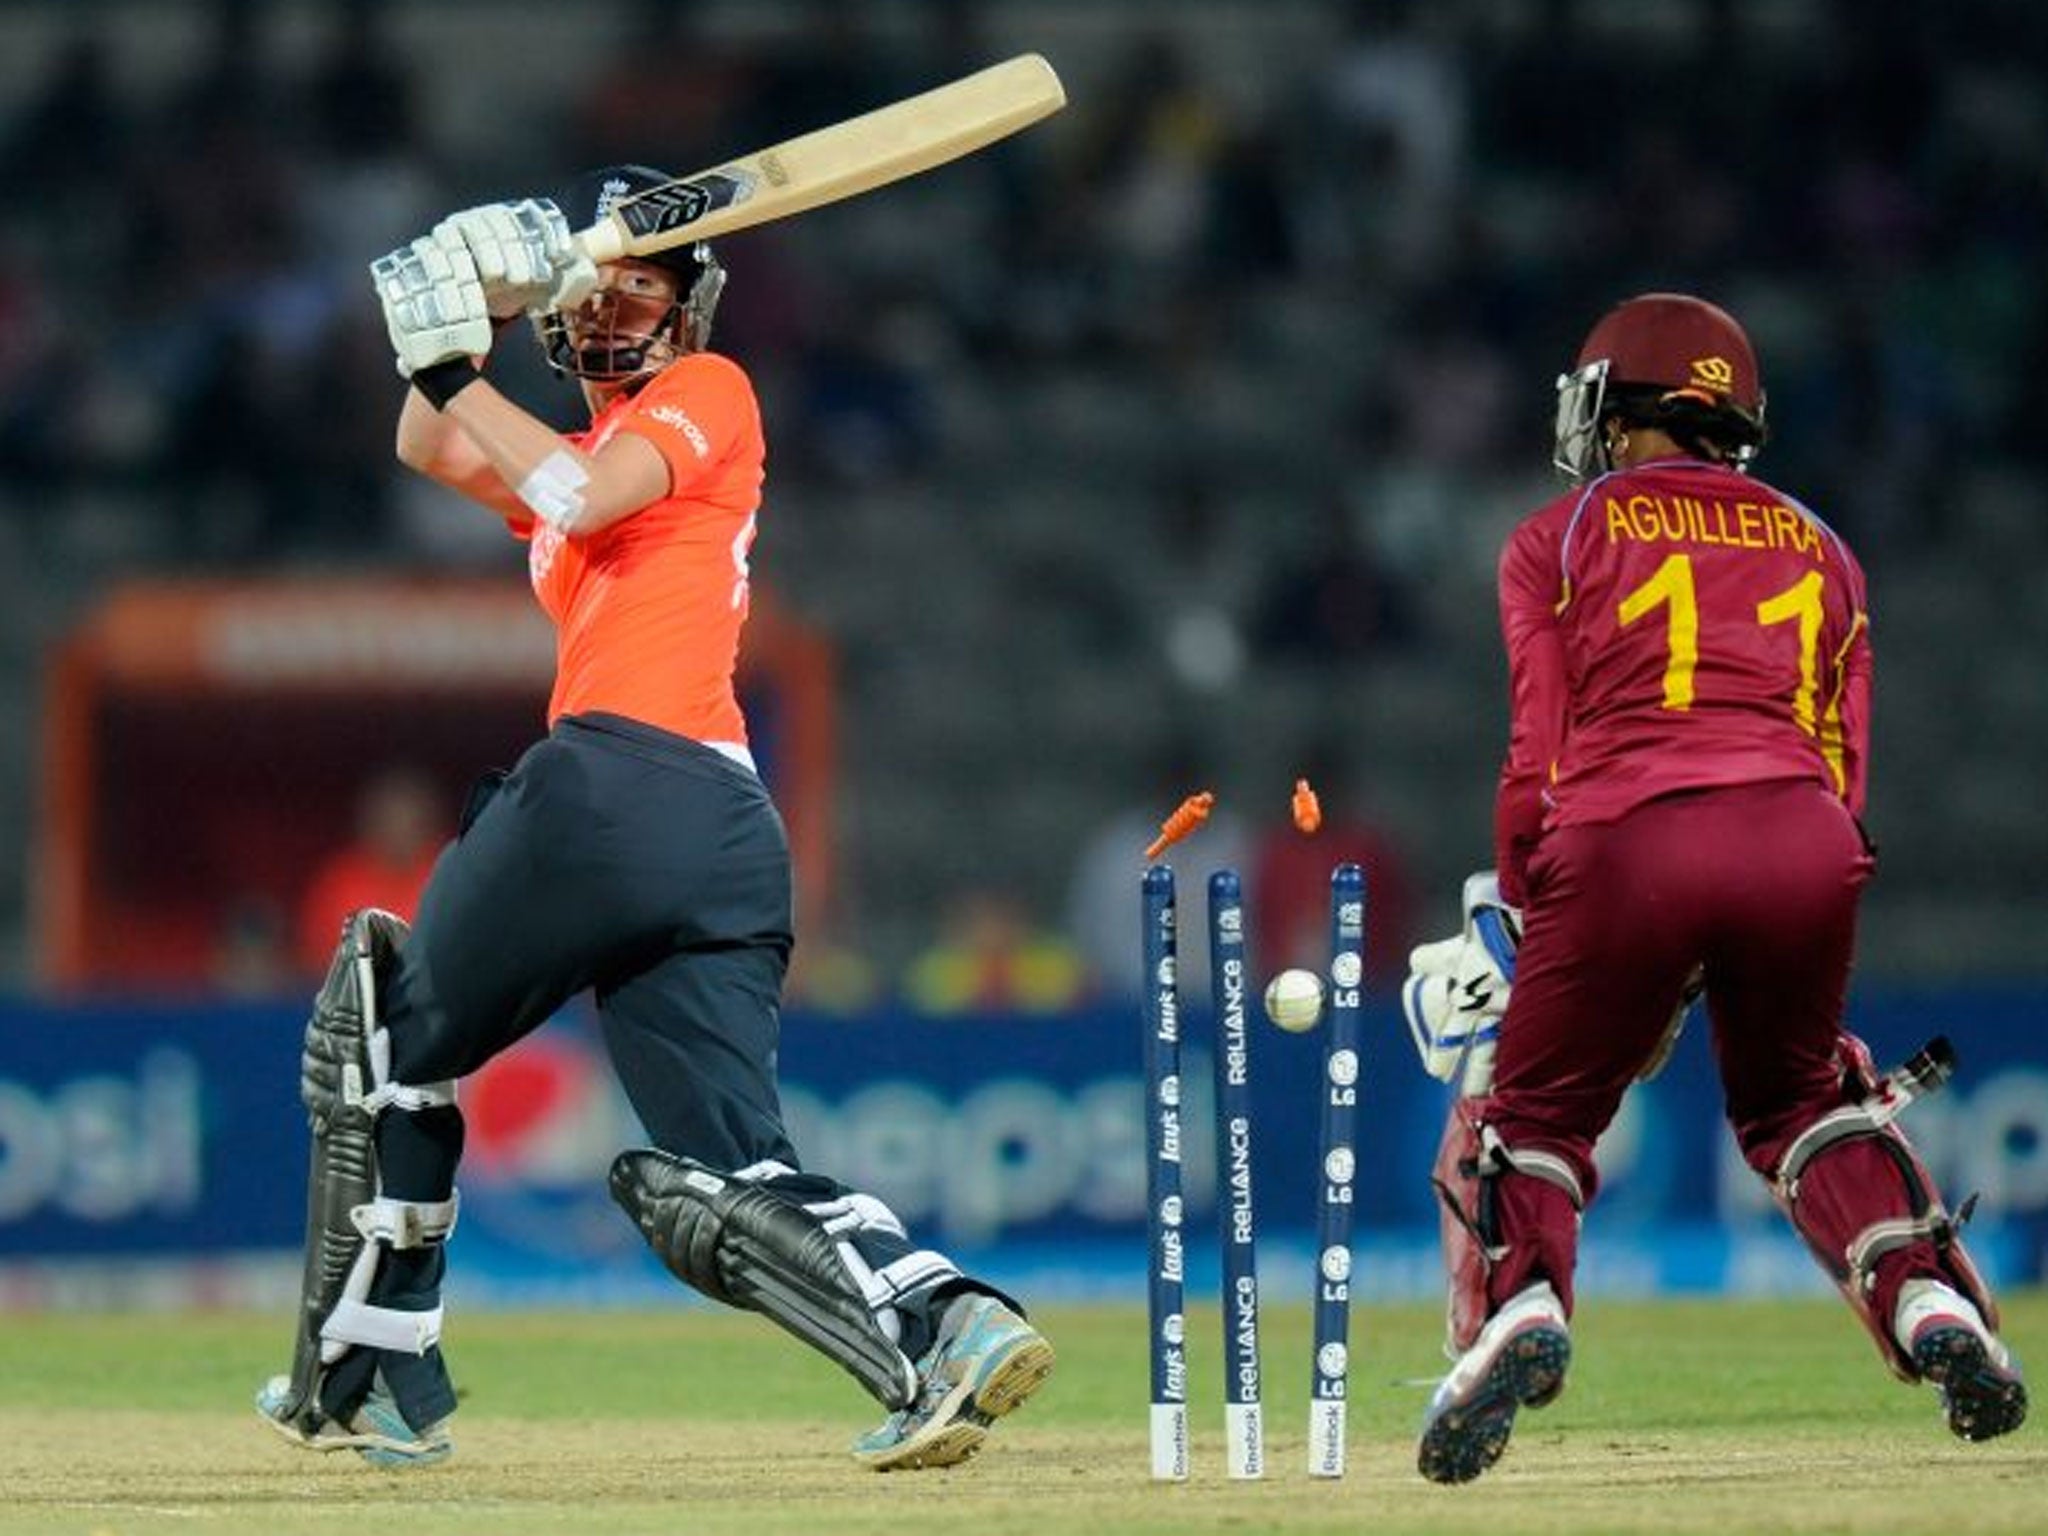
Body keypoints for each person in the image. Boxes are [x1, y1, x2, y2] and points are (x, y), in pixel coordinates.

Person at [254, 168, 1053, 1472]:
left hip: (622, 782)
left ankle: (373, 1369)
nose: (633, 305)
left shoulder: (705, 394)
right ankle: (943, 1326)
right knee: (727, 1179)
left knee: (381, 1033)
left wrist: (459, 367)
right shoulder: (568, 452)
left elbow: (567, 492)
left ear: (693, 308)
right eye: (609, 285)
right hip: (722, 838)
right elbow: (429, 445)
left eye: (653, 285)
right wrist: (473, 316)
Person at [1399, 293, 2026, 1484]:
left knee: (1531, 1111)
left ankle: (1517, 1315)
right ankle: (1933, 1309)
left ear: (1621, 410)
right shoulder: (1826, 548)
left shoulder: (1560, 537)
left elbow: (1537, 756)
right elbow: (1843, 775)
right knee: (1800, 1102)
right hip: (1801, 843)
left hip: (1624, 839)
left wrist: (1531, 912)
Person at [295, 765, 445, 977]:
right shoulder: (338, 883)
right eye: (388, 819)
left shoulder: (450, 875)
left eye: (409, 821)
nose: (398, 831)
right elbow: (312, 964)